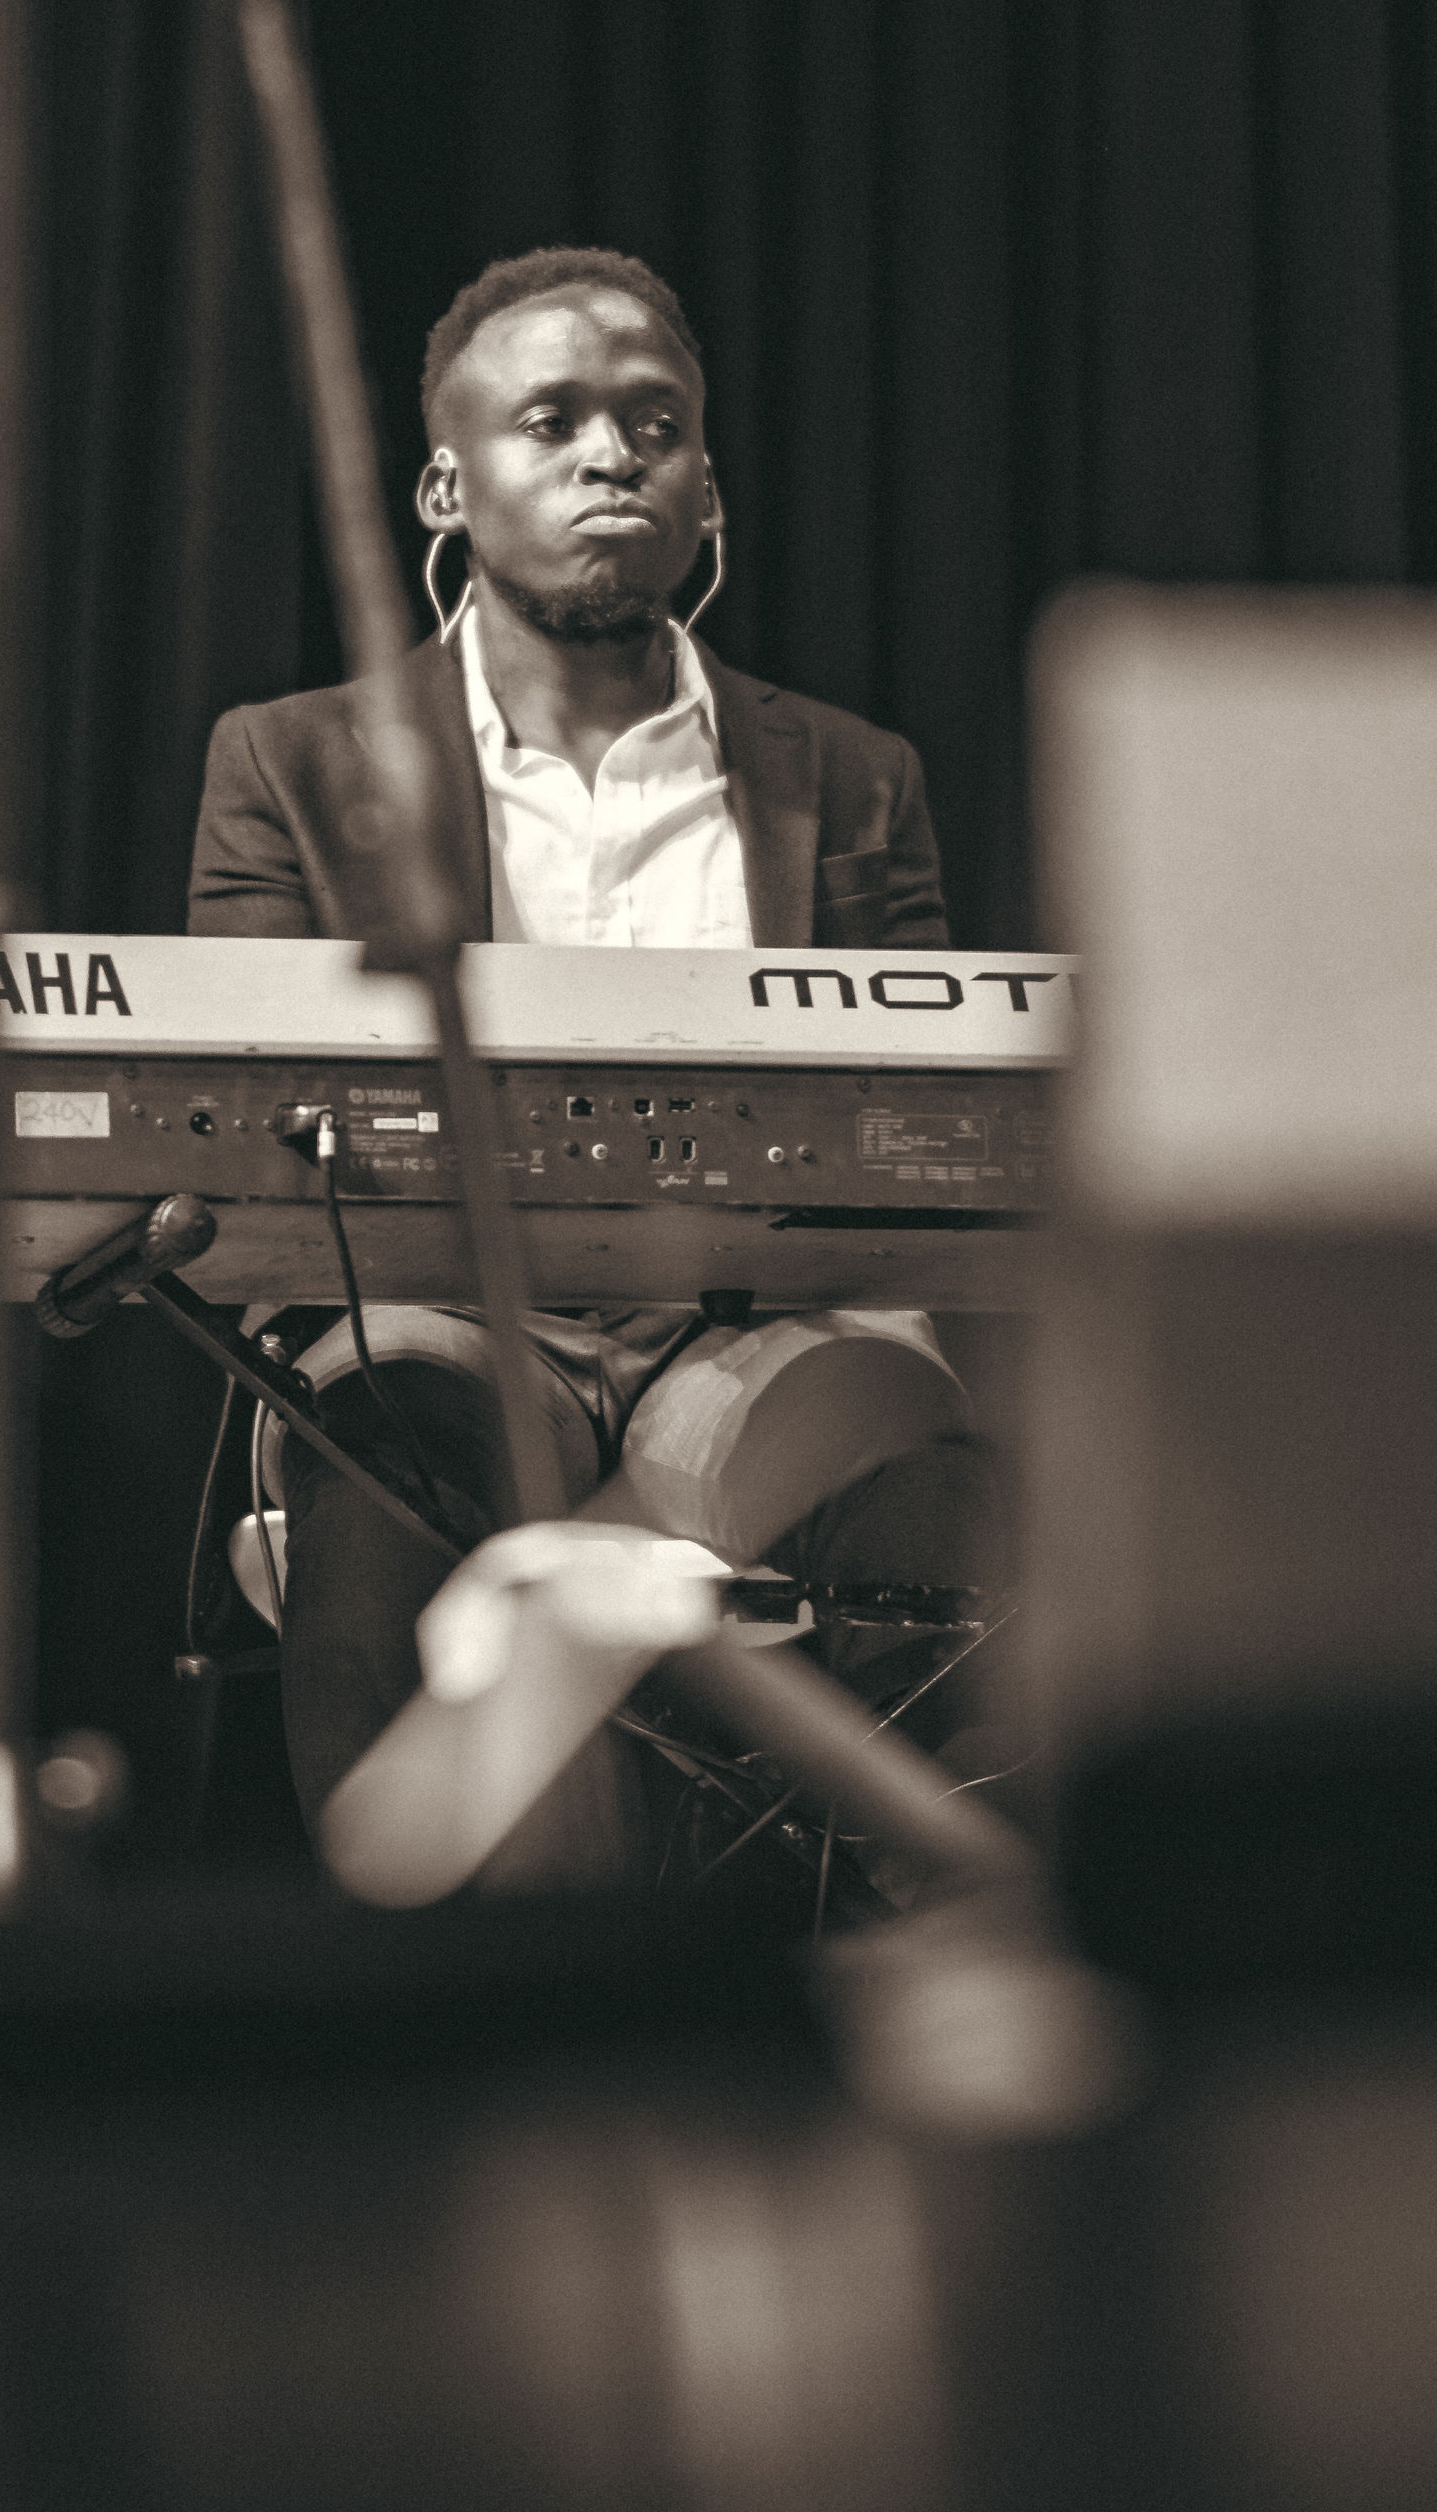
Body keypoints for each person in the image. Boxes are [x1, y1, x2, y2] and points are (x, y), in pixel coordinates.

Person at [189, 246, 997, 1875]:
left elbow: (926, 1139)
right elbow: (252, 1132)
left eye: (655, 424)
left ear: (709, 489)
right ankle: (450, 1991)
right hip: (448, 1324)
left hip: (772, 1339)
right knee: (386, 1493)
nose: (611, 456)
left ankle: (900, 1961)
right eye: (550, 421)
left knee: (940, 1517)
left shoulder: (853, 779)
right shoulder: (291, 762)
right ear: (445, 486)